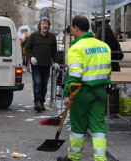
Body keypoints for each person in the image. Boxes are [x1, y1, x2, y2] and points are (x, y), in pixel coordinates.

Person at [57, 15, 111, 161]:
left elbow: (74, 76)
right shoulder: (104, 46)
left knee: (78, 127)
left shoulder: (76, 48)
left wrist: (67, 95)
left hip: (82, 93)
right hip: (101, 92)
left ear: (76, 27)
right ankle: (101, 159)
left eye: (72, 28)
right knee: (99, 127)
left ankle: (74, 157)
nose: (71, 32)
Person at [24, 17, 59, 112]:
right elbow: (27, 48)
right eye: (43, 23)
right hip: (36, 65)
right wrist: (31, 57)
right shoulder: (34, 36)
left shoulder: (52, 37)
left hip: (46, 65)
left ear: (49, 26)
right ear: (40, 25)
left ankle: (41, 101)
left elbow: (54, 51)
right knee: (38, 83)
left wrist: (55, 62)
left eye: (47, 24)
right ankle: (37, 102)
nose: (45, 25)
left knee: (44, 85)